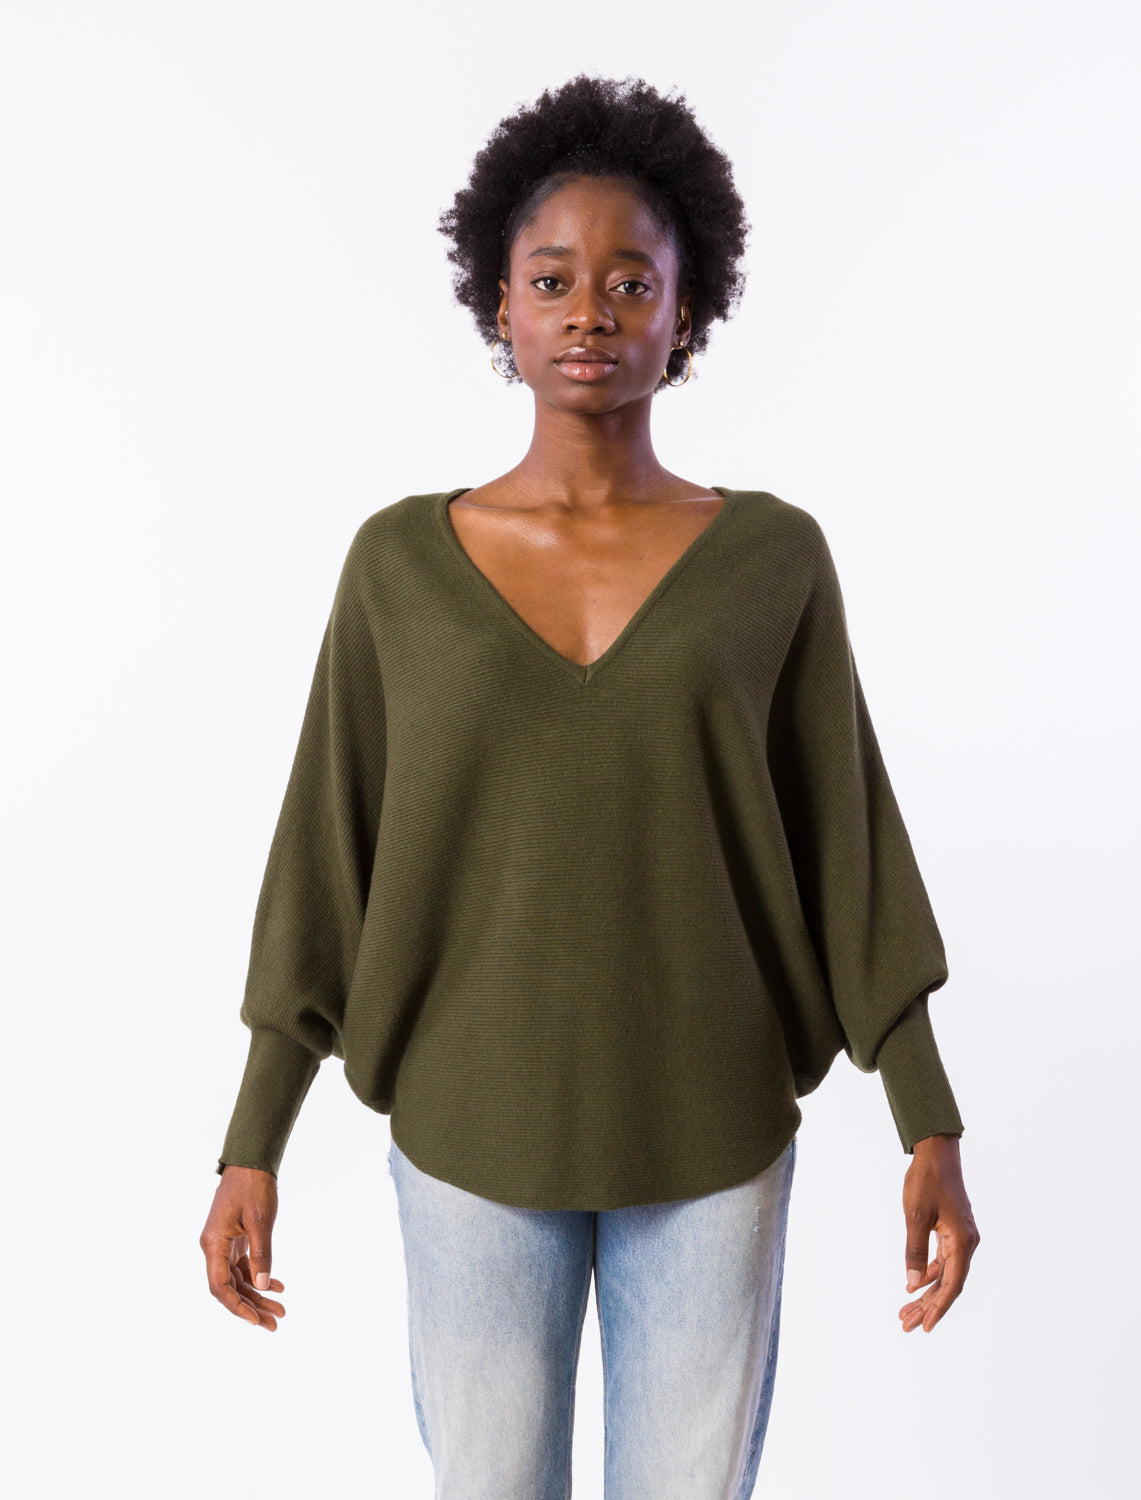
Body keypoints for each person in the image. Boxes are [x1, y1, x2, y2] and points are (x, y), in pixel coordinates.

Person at [201, 74, 980, 1498]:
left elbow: (847, 848)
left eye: (632, 282)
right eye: (553, 279)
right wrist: (254, 1140)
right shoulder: (397, 567)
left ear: (688, 311)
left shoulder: (773, 560)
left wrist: (926, 1116)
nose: (590, 313)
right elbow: (326, 854)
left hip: (711, 1128)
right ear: (497, 304)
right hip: (469, 1129)